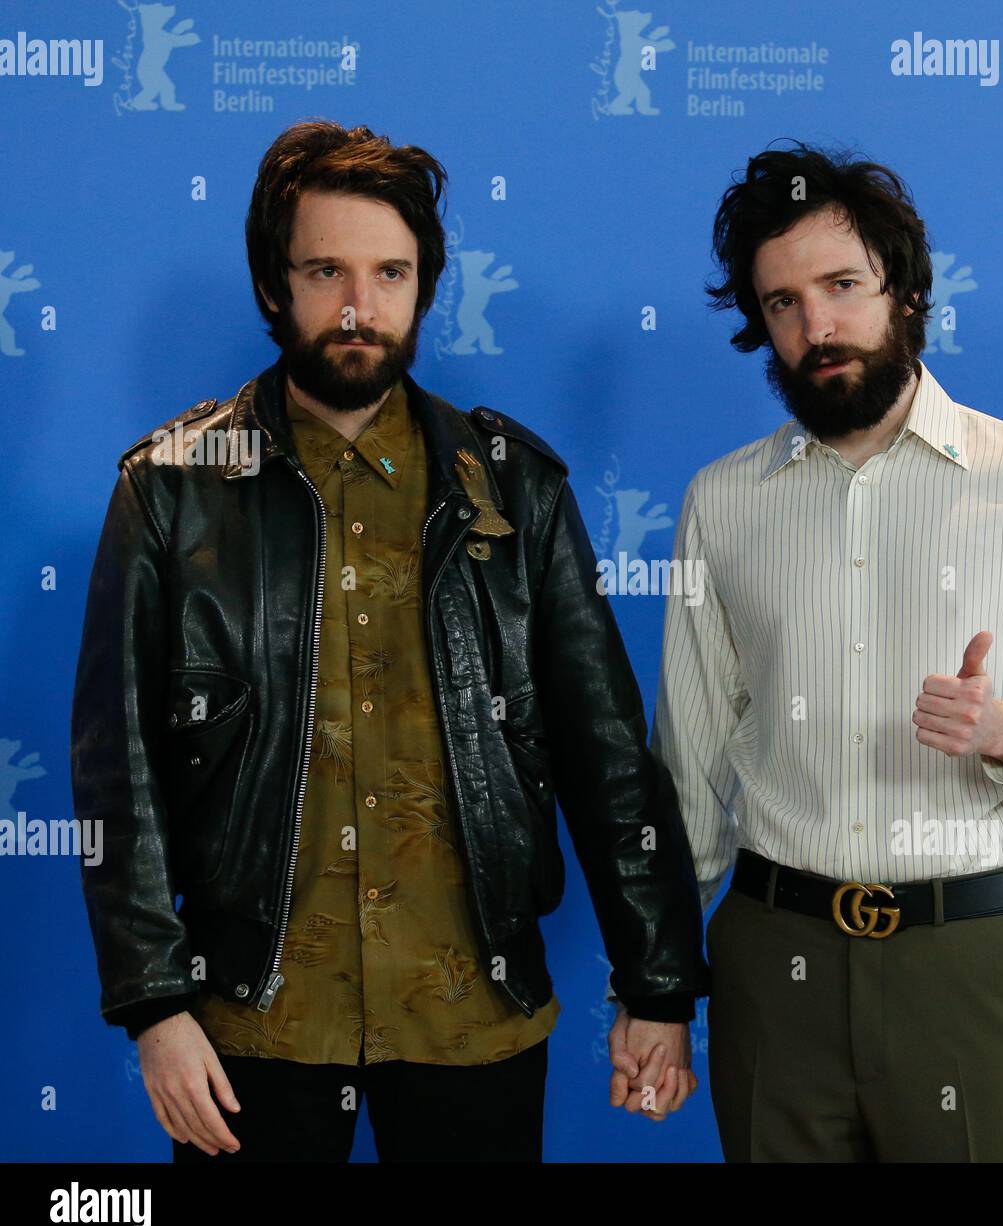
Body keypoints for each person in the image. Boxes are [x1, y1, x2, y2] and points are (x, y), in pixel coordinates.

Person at [71, 120, 707, 1164]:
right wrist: (153, 1006)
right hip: (251, 1019)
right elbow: (117, 771)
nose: (359, 305)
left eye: (391, 272)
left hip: (472, 1010)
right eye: (326, 270)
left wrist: (656, 983)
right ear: (274, 285)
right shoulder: (170, 488)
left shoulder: (515, 487)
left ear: (424, 284)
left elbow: (606, 754)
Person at [652, 142, 1003, 1162]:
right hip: (772, 958)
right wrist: (656, 987)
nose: (816, 325)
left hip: (970, 963)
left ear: (905, 293)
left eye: (841, 286)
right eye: (782, 303)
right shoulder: (721, 502)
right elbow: (689, 775)